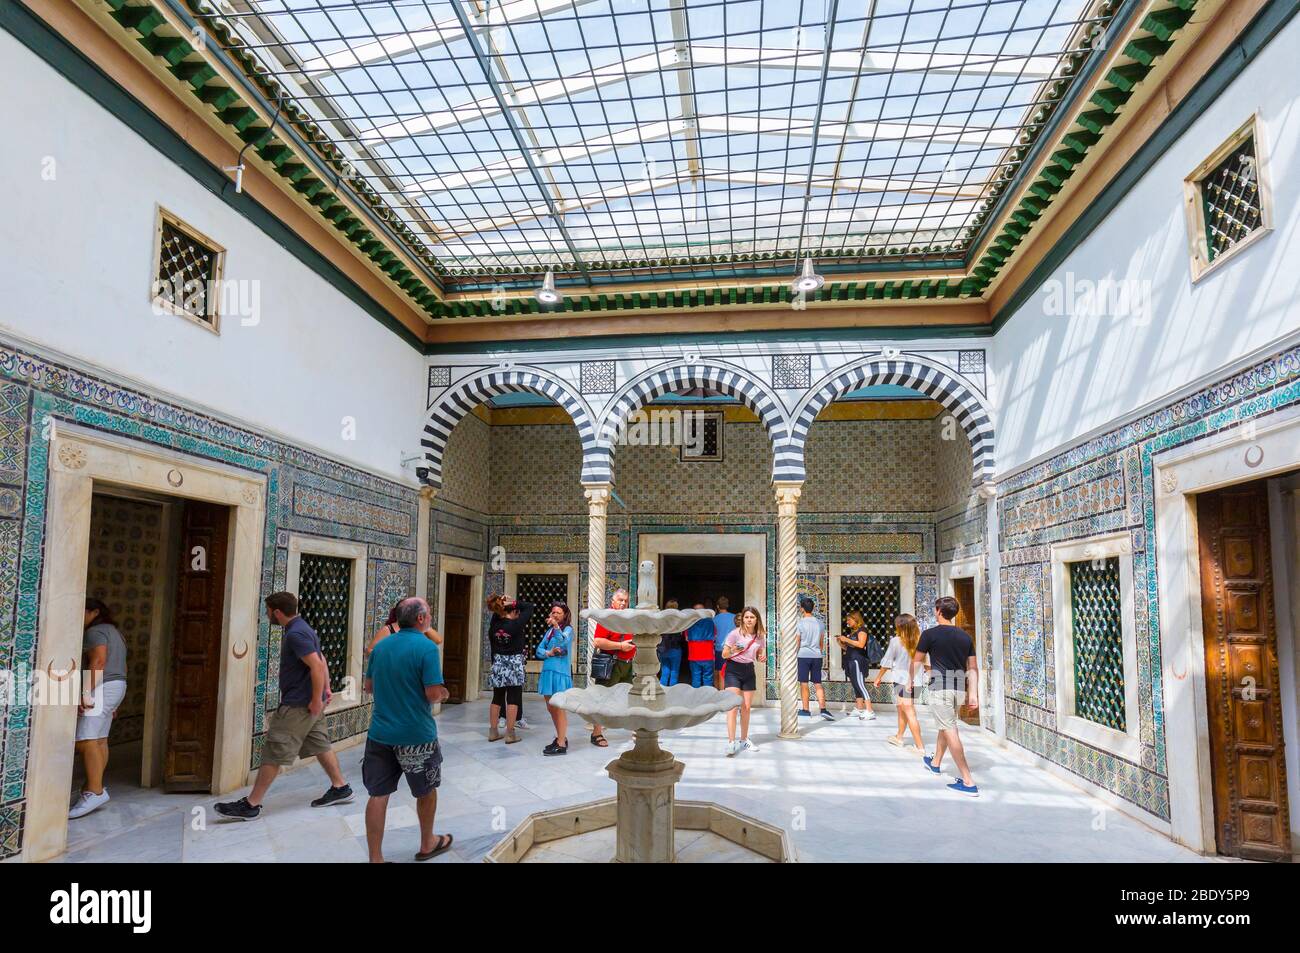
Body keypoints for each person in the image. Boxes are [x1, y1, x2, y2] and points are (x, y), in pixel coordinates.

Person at [216, 592, 352, 820]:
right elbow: (322, 658)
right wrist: (326, 689)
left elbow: (316, 666)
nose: (267, 614)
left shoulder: (296, 634)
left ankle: (251, 804)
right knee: (320, 744)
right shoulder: (302, 628)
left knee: (274, 751)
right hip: (308, 704)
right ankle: (340, 787)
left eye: (268, 610)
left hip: (298, 705)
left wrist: (317, 699)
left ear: (277, 612)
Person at [362, 597, 453, 863]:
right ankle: (428, 843)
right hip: (416, 735)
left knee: (378, 795)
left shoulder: (380, 647)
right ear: (421, 618)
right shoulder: (426, 649)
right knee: (425, 791)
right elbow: (433, 693)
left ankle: (376, 858)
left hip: (379, 734)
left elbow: (368, 688)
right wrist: (444, 693)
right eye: (430, 614)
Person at [911, 595, 979, 797]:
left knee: (950, 730)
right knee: (946, 725)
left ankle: (968, 781)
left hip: (940, 688)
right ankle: (935, 763)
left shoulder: (929, 634)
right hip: (959, 689)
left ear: (939, 611)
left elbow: (916, 661)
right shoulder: (965, 637)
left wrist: (908, 682)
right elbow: (973, 667)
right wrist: (973, 693)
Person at [68, 598, 129, 819]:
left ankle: (95, 791)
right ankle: (92, 787)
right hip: (117, 684)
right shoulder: (115, 632)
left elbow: (99, 662)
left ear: (94, 612)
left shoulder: (95, 632)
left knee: (85, 740)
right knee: (100, 739)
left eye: (81, 611)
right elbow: (123, 664)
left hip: (102, 686)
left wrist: (85, 692)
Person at [875, 613, 926, 752]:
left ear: (900, 626)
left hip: (902, 680)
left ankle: (920, 747)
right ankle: (899, 737)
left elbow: (887, 662)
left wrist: (879, 677)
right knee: (901, 709)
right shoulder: (921, 640)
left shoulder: (896, 641)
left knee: (909, 712)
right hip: (917, 681)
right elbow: (927, 662)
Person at [589, 588, 633, 748]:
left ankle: (636, 730)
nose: (623, 603)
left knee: (632, 697)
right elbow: (598, 641)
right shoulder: (607, 618)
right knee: (602, 699)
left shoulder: (629, 618)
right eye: (620, 600)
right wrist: (621, 645)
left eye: (625, 601)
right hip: (611, 664)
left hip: (627, 665)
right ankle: (596, 733)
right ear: (612, 601)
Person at [486, 594, 532, 744]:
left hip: (498, 661)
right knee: (513, 698)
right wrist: (514, 602)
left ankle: (493, 731)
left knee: (497, 698)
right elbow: (529, 607)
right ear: (513, 611)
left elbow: (496, 615)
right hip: (514, 663)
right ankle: (510, 733)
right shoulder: (516, 625)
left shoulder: (494, 625)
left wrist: (502, 604)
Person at [723, 606, 767, 755]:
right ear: (743, 619)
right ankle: (731, 742)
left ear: (756, 619)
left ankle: (743, 740)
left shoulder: (760, 636)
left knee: (746, 708)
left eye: (752, 617)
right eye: (747, 617)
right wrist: (734, 650)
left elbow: (759, 654)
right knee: (733, 707)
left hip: (748, 670)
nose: (749, 619)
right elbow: (724, 654)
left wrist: (761, 657)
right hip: (732, 670)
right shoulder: (734, 634)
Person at [536, 602, 573, 755]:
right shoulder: (549, 631)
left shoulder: (568, 630)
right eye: (553, 612)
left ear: (564, 615)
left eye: (558, 612)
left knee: (559, 709)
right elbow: (538, 650)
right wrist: (549, 653)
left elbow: (563, 641)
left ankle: (561, 744)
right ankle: (560, 737)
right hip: (548, 673)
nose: (555, 614)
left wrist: (557, 627)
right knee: (551, 708)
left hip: (560, 674)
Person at [795, 597, 834, 721]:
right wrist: (817, 651)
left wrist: (796, 653)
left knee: (804, 683)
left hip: (803, 655)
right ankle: (823, 709)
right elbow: (821, 643)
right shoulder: (820, 623)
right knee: (818, 683)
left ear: (802, 609)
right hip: (817, 655)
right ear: (813, 608)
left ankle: (806, 710)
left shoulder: (800, 623)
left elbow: (797, 642)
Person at [835, 610, 878, 722]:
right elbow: (848, 648)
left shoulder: (862, 630)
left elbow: (861, 644)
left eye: (849, 619)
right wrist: (840, 642)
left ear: (856, 619)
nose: (847, 622)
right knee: (855, 685)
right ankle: (859, 708)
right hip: (850, 660)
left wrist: (846, 639)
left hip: (857, 661)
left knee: (860, 684)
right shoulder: (854, 632)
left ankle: (870, 710)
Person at [367, 601, 442, 660]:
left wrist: (424, 625)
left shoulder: (418, 628)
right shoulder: (388, 630)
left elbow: (438, 640)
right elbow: (369, 651)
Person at [685, 603, 715, 688]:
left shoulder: (689, 623)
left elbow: (687, 638)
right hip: (707, 654)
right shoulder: (711, 621)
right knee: (708, 678)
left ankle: (696, 698)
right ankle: (707, 697)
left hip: (694, 655)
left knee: (695, 678)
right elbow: (715, 636)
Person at [657, 599, 684, 687]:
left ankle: (662, 692)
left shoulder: (661, 618)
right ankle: (672, 695)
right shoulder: (679, 619)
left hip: (663, 649)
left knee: (665, 672)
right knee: (674, 672)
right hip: (675, 649)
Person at [711, 597, 733, 689]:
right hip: (732, 649)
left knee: (720, 673)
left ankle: (720, 695)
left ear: (717, 606)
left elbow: (713, 635)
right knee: (731, 674)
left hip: (719, 649)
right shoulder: (735, 617)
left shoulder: (714, 619)